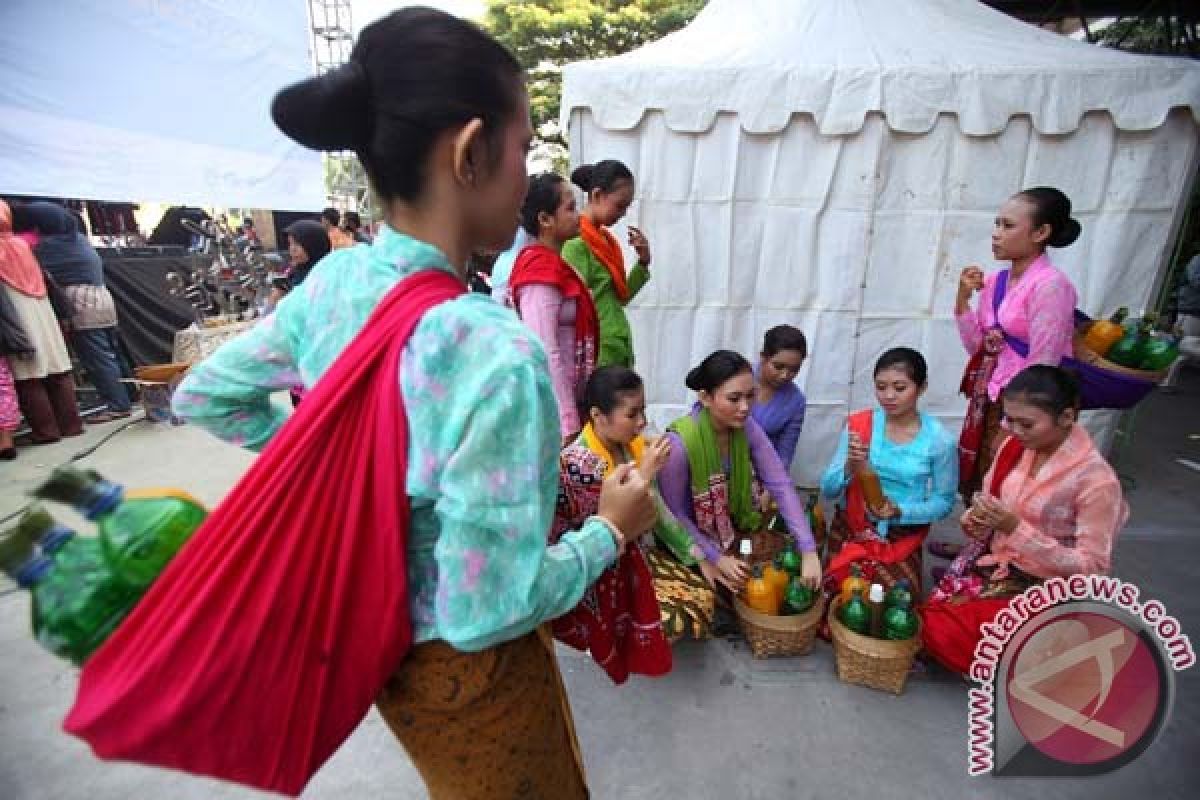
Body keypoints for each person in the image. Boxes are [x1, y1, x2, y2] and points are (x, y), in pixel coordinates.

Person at [171, 9, 655, 799]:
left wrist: (346, 465)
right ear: (470, 153)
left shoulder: (333, 285)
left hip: (376, 638)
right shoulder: (493, 353)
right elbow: (487, 608)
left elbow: (207, 395)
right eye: (525, 147)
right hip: (470, 671)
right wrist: (609, 532)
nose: (531, 176)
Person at [921, 366, 1128, 675]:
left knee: (940, 630)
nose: (1014, 430)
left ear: (1067, 418)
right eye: (1009, 419)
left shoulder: (1096, 482)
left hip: (1049, 588)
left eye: (1026, 423)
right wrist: (977, 518)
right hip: (1000, 567)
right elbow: (989, 499)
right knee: (925, 617)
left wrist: (1015, 529)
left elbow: (1092, 568)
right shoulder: (1016, 446)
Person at [554, 366, 698, 672]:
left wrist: (697, 554)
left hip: (634, 551)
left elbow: (655, 513)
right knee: (672, 613)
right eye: (632, 414)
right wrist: (644, 474)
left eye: (643, 411)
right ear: (598, 416)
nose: (643, 423)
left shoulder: (630, 446)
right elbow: (601, 533)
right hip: (596, 569)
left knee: (699, 595)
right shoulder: (581, 465)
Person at [954, 187, 1081, 507]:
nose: (996, 235)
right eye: (997, 224)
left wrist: (1014, 423)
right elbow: (979, 349)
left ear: (1041, 232)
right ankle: (978, 544)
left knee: (1013, 477)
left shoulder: (1051, 285)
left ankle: (998, 550)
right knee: (983, 472)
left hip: (1027, 405)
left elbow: (1045, 362)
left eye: (1008, 226)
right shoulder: (996, 282)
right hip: (992, 394)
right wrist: (962, 300)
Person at [658, 350, 821, 595]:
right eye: (734, 399)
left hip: (732, 524)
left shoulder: (746, 427)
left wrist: (809, 549)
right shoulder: (679, 446)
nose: (745, 407)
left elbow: (779, 483)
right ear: (705, 397)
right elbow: (675, 516)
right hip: (689, 541)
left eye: (750, 396)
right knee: (731, 593)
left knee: (781, 574)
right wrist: (714, 557)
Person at [819, 348, 956, 599]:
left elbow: (944, 503)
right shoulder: (860, 426)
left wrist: (901, 510)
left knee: (893, 606)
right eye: (881, 387)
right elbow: (828, 490)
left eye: (900, 388)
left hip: (902, 531)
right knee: (842, 598)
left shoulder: (940, 441)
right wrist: (850, 466)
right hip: (854, 523)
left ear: (921, 388)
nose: (889, 396)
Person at [18, 201, 132, 422]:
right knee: (113, 353)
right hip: (102, 297)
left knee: (98, 358)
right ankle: (129, 396)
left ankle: (118, 405)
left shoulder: (46, 247)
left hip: (81, 302)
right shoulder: (78, 239)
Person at [508, 172, 598, 443]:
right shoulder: (540, 274)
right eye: (570, 208)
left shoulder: (556, 266)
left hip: (568, 401)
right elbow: (545, 350)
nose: (578, 214)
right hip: (555, 413)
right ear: (545, 220)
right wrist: (567, 420)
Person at [0, 200, 83, 445]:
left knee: (28, 376)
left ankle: (46, 432)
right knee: (58, 368)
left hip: (15, 314)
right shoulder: (22, 245)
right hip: (43, 309)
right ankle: (71, 425)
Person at [561, 160, 652, 368]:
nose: (623, 214)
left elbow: (619, 297)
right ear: (597, 196)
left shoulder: (607, 241)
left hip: (618, 346)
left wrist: (643, 263)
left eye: (627, 207)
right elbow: (577, 307)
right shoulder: (575, 243)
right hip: (599, 352)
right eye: (620, 205)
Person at [751, 324, 808, 471]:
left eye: (794, 369)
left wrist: (771, 489)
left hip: (759, 475)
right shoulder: (737, 376)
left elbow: (784, 455)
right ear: (763, 357)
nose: (785, 375)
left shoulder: (795, 402)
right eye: (778, 366)